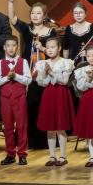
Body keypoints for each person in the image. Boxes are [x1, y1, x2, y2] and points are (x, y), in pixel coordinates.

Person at [34, 37, 75, 167]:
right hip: (48, 94)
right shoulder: (42, 63)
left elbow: (64, 81)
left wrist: (51, 72)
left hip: (61, 94)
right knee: (50, 127)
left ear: (59, 48)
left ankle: (63, 156)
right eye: (48, 47)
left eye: (53, 47)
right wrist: (43, 74)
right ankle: (52, 156)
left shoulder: (66, 62)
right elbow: (42, 83)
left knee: (60, 127)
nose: (50, 50)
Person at [0, 36, 32, 166]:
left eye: (13, 45)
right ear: (4, 47)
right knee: (8, 127)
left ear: (17, 47)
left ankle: (22, 154)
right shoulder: (0, 63)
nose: (11, 48)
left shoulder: (23, 62)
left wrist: (16, 76)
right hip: (5, 99)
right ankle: (10, 154)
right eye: (8, 46)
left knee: (21, 126)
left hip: (19, 97)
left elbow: (28, 80)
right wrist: (7, 78)